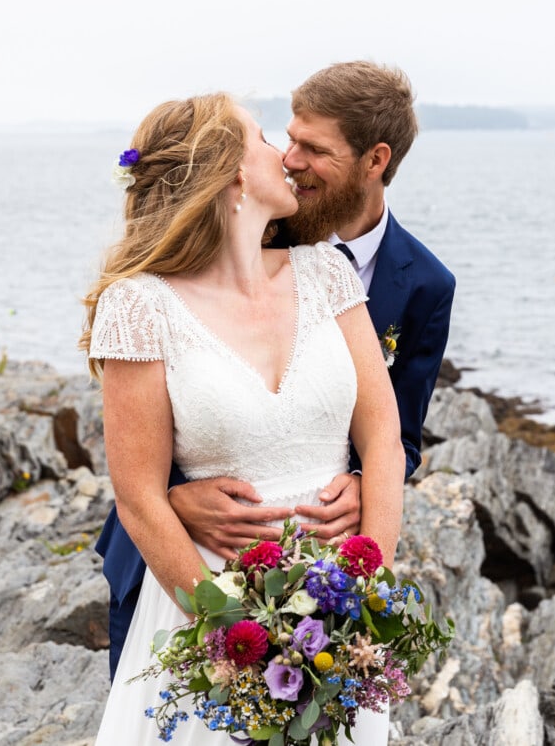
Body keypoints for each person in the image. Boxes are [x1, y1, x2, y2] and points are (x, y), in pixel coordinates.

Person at [95, 62, 456, 681]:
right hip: (187, 571)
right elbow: (139, 482)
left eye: (312, 149)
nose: (289, 159)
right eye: (277, 140)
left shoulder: (364, 276)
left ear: (374, 161)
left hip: (332, 594)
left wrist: (368, 578)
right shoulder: (155, 294)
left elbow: (395, 438)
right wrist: (232, 630)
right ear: (232, 174)